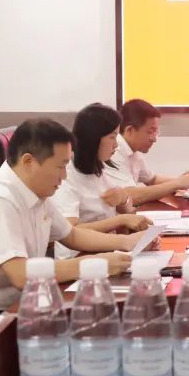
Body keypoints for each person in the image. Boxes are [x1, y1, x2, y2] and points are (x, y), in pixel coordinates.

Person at [0, 119, 143, 313]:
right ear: (29, 161)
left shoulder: (34, 188)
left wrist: (128, 242)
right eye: (60, 166)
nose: (64, 176)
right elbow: (19, 274)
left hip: (20, 301)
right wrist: (94, 265)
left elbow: (71, 235)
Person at [50, 103, 154, 259]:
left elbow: (126, 207)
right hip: (79, 259)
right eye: (112, 137)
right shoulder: (67, 176)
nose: (116, 144)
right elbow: (70, 232)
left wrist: (123, 199)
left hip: (107, 251)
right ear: (93, 137)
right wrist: (121, 220)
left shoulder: (99, 166)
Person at [101, 99, 189, 204]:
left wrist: (183, 181)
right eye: (150, 132)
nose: (154, 139)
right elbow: (130, 196)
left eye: (155, 132)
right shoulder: (114, 151)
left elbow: (152, 180)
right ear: (130, 130)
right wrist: (176, 184)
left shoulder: (133, 152)